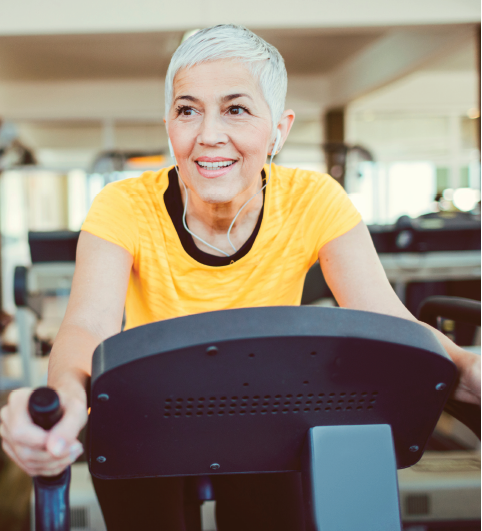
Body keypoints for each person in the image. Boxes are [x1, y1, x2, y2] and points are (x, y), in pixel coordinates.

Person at [0, 24, 480, 531]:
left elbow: (386, 317)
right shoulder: (123, 206)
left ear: (279, 129)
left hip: (269, 410)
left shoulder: (314, 199)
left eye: (237, 109)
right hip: (146, 411)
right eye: (188, 110)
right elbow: (87, 326)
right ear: (169, 124)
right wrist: (68, 403)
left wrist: (464, 366)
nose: (209, 134)